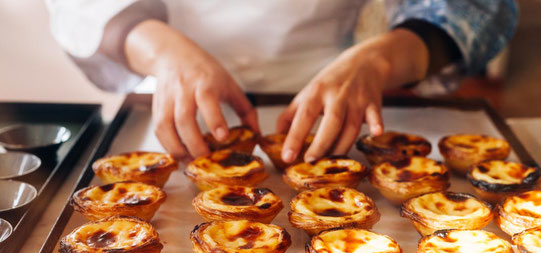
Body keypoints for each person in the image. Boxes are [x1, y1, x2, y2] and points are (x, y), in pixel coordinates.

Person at [46, 0, 517, 163]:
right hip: (165, 105)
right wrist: (164, 51)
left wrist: (378, 60)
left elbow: (476, 8)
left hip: (332, 102)